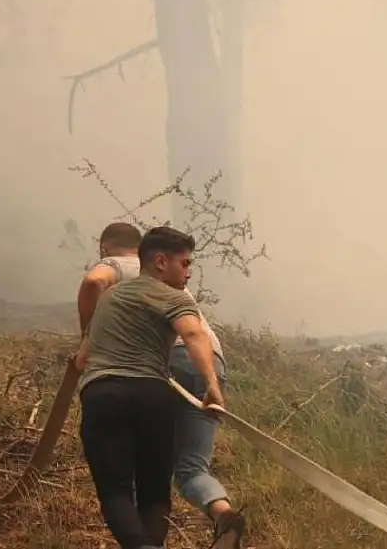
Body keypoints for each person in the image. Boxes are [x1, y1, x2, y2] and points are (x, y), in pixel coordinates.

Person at [75, 223, 247, 548]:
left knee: (116, 491)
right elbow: (194, 335)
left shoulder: (110, 297)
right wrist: (212, 386)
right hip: (153, 397)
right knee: (155, 495)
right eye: (185, 264)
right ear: (160, 262)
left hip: (103, 396)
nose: (189, 273)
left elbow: (84, 356)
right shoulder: (174, 297)